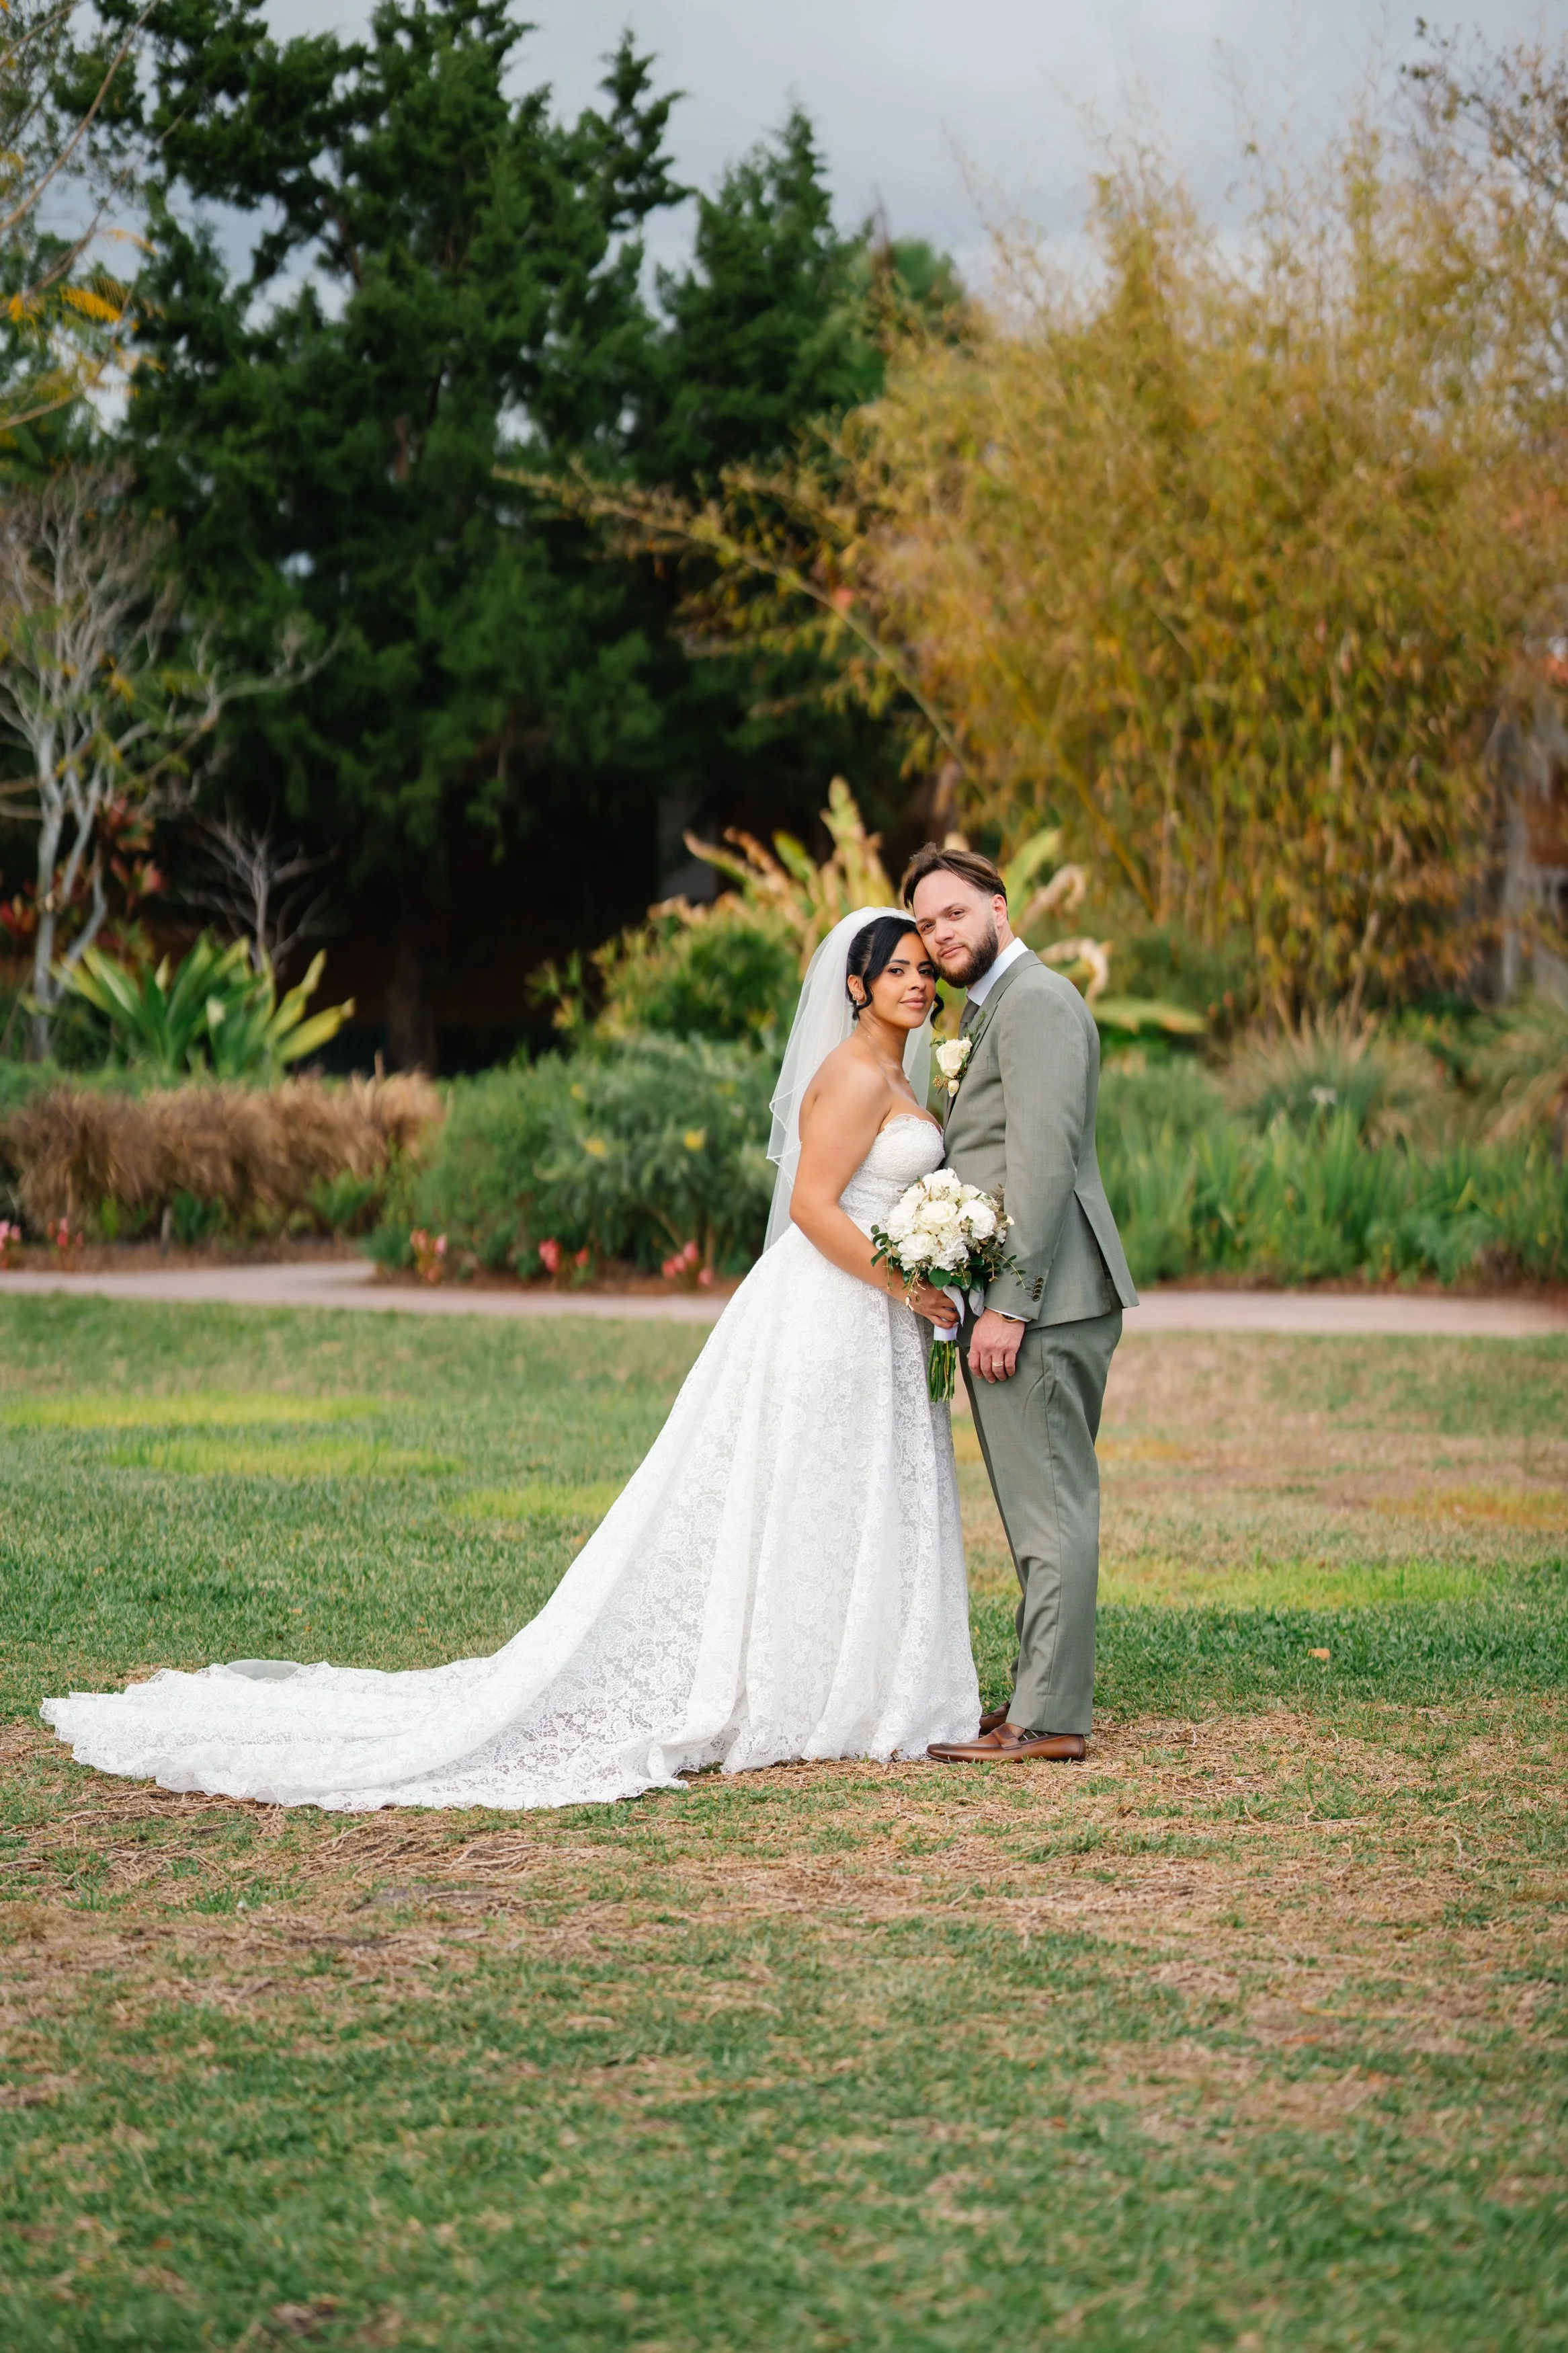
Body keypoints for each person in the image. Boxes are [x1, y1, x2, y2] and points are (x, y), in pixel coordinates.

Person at [42, 910, 979, 1810]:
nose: (914, 982)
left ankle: (845, 1675)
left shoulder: (902, 1078)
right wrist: (907, 1284)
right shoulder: (855, 1077)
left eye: (923, 970)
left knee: (847, 1491)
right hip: (833, 1308)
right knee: (809, 1491)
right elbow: (816, 1209)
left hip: (876, 1311)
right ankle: (802, 1685)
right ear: (854, 986)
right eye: (894, 969)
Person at [905, 845, 1138, 1765]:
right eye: (925, 924)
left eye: (955, 914)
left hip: (1044, 1300)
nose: (939, 935)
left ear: (1000, 905)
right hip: (1033, 1297)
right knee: (1040, 1510)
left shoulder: (1037, 1003)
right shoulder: (995, 1007)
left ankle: (1050, 1722)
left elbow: (1043, 1165)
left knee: (1052, 1512)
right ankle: (1037, 1700)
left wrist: (1010, 1303)